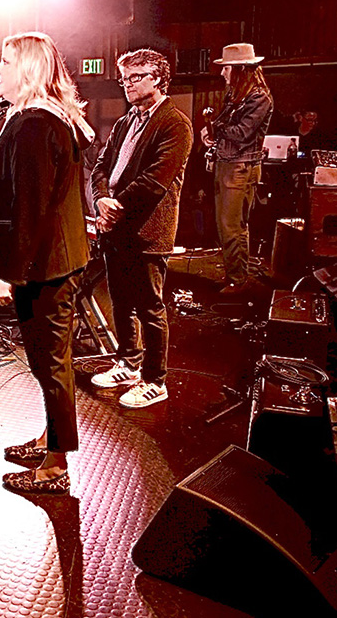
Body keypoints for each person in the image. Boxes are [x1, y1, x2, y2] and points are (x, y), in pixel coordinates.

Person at [0, 31, 94, 495]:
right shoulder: (40, 119)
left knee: (51, 363)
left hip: (44, 267)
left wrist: (10, 273)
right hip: (51, 263)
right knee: (47, 362)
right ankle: (51, 439)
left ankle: (55, 466)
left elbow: (31, 207)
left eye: (4, 62)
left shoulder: (34, 126)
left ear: (24, 69)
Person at [90, 48, 193, 409]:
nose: (127, 84)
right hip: (115, 227)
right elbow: (100, 166)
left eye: (136, 77)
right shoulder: (124, 122)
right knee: (120, 301)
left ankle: (154, 380)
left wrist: (113, 209)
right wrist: (101, 199)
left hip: (148, 230)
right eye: (125, 78)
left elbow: (154, 182)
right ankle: (128, 363)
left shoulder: (175, 123)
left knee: (150, 306)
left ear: (159, 79)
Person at [201, 43, 274, 295]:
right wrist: (208, 132)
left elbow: (242, 134)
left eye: (227, 68)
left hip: (240, 168)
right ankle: (235, 275)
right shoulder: (236, 94)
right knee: (226, 225)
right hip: (227, 164)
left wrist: (215, 130)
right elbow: (223, 125)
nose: (222, 73)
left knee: (233, 226)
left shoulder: (259, 98)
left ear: (241, 69)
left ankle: (238, 280)